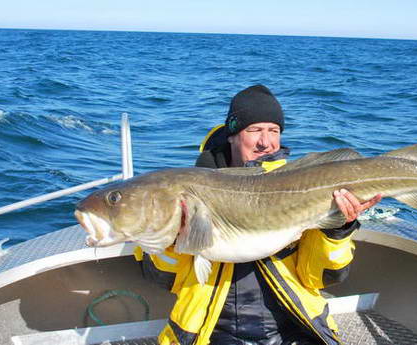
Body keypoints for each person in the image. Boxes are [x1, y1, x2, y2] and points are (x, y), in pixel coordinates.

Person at [140, 85, 381, 345]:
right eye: (254, 130)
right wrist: (170, 238)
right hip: (211, 334)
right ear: (232, 135)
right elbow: (164, 278)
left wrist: (337, 230)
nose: (265, 142)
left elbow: (321, 277)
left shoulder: (304, 189)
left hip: (294, 329)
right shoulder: (183, 192)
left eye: (274, 131)